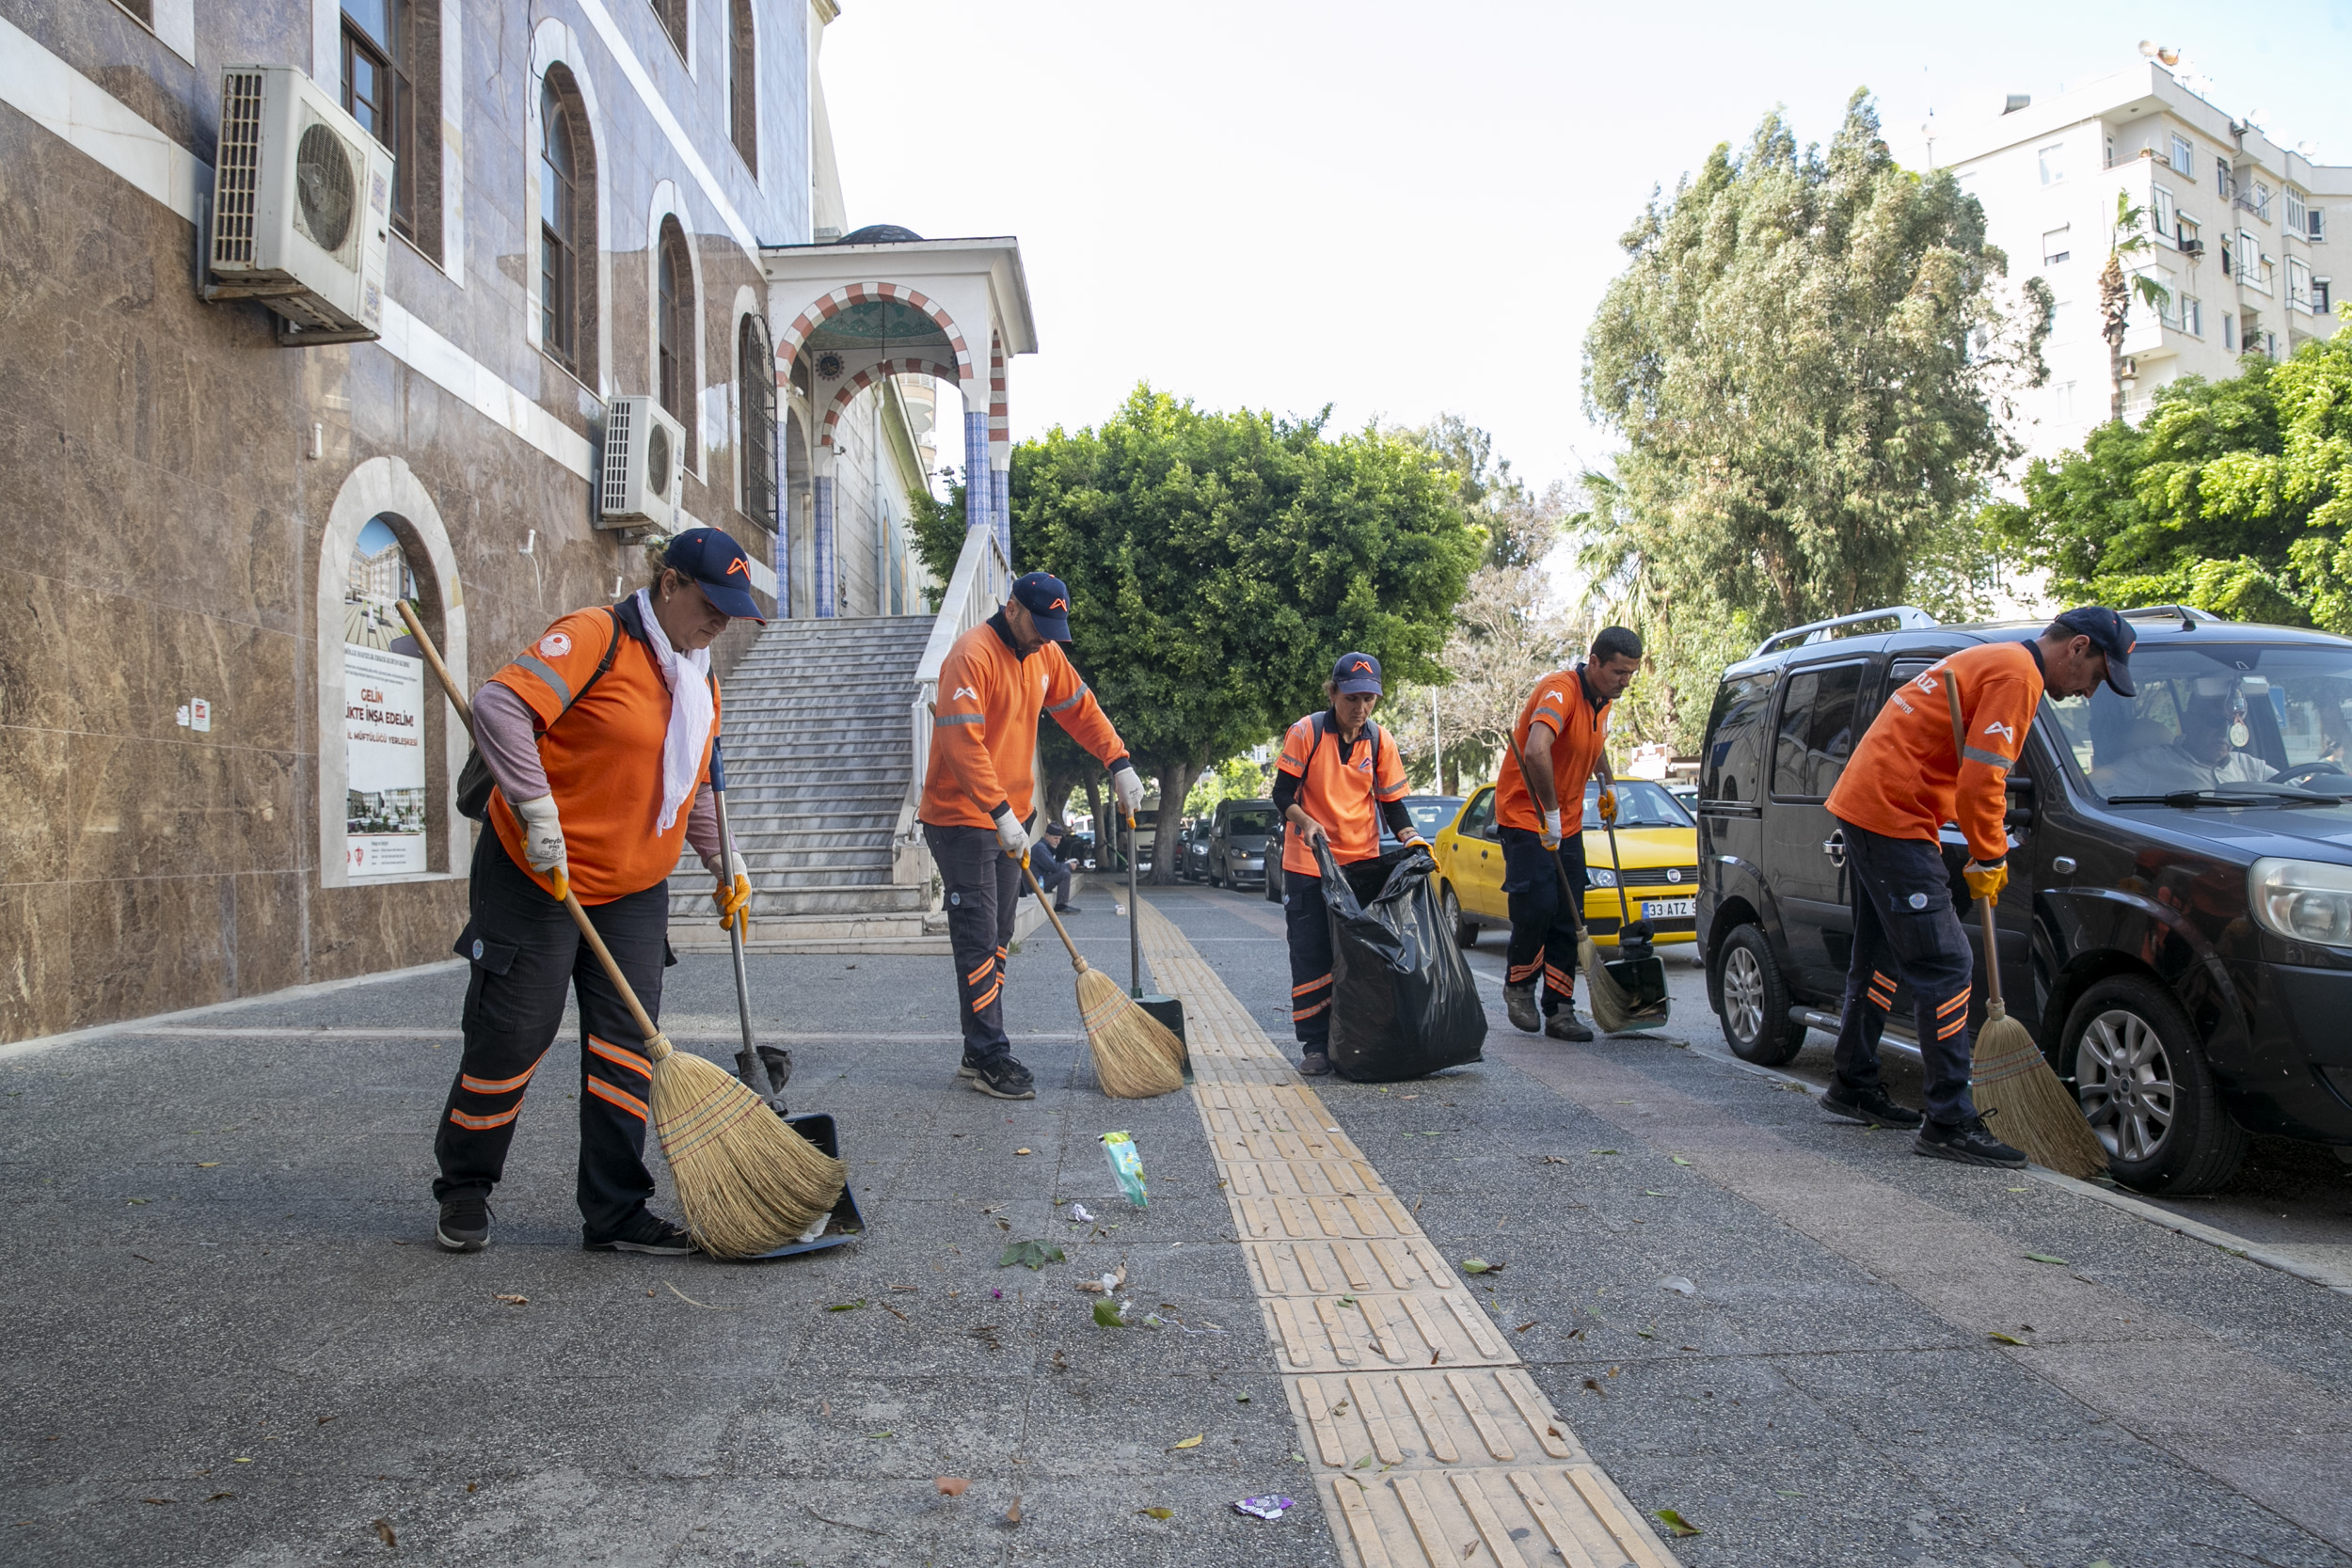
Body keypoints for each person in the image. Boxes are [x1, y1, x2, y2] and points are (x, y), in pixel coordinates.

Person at [431, 529, 762, 1255]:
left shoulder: (697, 677)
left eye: (732, 612)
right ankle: (465, 1186)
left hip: (634, 886)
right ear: (670, 583)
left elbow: (691, 785)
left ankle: (616, 1210)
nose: (721, 623)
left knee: (627, 1048)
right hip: (536, 871)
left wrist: (723, 857)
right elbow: (499, 708)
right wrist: (538, 810)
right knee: (514, 1034)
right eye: (712, 604)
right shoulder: (595, 636)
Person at [1820, 609, 2137, 1166]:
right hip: (1894, 816)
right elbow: (1981, 781)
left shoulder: (1999, 660)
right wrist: (1991, 853)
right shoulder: (2019, 675)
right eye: (2096, 676)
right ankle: (1948, 1121)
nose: (2090, 692)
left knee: (1879, 960)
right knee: (1944, 963)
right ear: (2078, 648)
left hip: (1876, 806)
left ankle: (1853, 1083)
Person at [920, 572, 1144, 1100]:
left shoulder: (1043, 655)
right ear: (1013, 607)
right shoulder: (970, 655)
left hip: (1008, 818)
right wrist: (998, 811)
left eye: (1054, 630)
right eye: (1039, 626)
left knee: (998, 936)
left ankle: (980, 1049)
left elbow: (1079, 708)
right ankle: (989, 1053)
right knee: (978, 934)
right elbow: (961, 743)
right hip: (961, 816)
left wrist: (1118, 760)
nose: (1046, 638)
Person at [1274, 653, 1427, 1076]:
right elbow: (1282, 794)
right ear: (1333, 692)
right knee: (1311, 954)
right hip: (1308, 862)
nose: (1361, 708)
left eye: (1370, 699)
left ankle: (1355, 1039)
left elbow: (1393, 806)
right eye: (1353, 697)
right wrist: (1304, 821)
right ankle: (1315, 1046)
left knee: (1358, 958)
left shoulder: (1380, 741)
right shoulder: (1306, 732)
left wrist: (1413, 839)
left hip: (1359, 867)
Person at [1491, 627, 1645, 1042]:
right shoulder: (1560, 690)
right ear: (1593, 662)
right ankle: (1519, 985)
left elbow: (1594, 743)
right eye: (1618, 671)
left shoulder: (1602, 702)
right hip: (1527, 817)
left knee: (1570, 914)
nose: (1624, 681)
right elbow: (1536, 749)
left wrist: (1607, 783)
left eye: (1630, 673)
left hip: (1568, 822)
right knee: (1538, 903)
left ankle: (1559, 1009)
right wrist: (1552, 812)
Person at [2092, 682, 2273, 795]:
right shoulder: (2150, 764)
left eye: (2232, 722)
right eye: (2215, 722)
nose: (2224, 731)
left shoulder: (2250, 767)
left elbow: (2299, 789)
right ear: (2187, 722)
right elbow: (2087, 790)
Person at [1025, 822, 1082, 913]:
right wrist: (1068, 865)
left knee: (1064, 870)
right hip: (1035, 886)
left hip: (1040, 882)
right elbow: (1053, 867)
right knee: (1065, 873)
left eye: (1059, 839)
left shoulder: (1046, 847)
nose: (1058, 841)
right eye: (1055, 838)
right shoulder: (1040, 848)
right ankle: (1060, 906)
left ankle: (1061, 905)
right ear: (1047, 836)